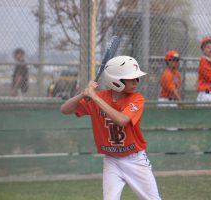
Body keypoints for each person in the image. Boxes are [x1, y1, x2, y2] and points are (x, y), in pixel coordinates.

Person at [61, 56, 162, 199]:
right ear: (116, 81)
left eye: (136, 78)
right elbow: (65, 109)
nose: (136, 82)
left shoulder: (136, 99)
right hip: (111, 159)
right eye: (131, 79)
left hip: (135, 159)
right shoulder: (99, 97)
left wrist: (95, 98)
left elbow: (122, 120)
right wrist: (83, 94)